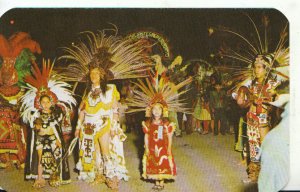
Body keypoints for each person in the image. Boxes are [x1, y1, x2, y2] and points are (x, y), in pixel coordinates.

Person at [59, 28, 152, 191]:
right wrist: (78, 127)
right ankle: (99, 174)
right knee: (92, 151)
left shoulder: (110, 90)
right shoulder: (87, 92)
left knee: (105, 150)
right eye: (91, 74)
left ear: (102, 76)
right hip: (88, 125)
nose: (93, 76)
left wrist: (115, 126)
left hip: (104, 124)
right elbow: (82, 110)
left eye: (96, 74)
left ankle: (112, 177)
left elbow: (115, 109)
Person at [126, 69, 191, 191]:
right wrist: (146, 147)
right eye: (154, 109)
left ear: (163, 111)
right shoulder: (148, 123)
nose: (156, 111)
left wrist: (169, 147)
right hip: (152, 146)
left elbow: (170, 136)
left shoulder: (166, 124)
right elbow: (146, 136)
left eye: (159, 110)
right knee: (154, 163)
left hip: (162, 146)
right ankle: (157, 181)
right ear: (151, 111)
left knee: (162, 163)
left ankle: (161, 182)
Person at [21, 60, 76, 188]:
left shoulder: (56, 114)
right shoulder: (37, 115)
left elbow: (58, 128)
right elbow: (35, 127)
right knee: (40, 159)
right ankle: (40, 178)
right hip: (40, 140)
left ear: (51, 102)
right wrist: (38, 127)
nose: (45, 104)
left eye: (47, 102)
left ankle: (54, 176)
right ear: (39, 103)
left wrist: (57, 140)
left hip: (52, 139)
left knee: (55, 157)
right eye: (43, 102)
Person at [0, 32, 41, 169]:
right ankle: (6, 158)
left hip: (18, 115)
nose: (6, 76)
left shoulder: (21, 86)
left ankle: (20, 157)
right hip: (4, 118)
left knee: (19, 129)